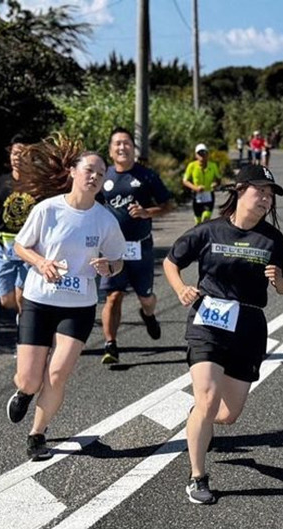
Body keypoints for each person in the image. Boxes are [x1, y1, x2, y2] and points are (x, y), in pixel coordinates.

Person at [163, 165, 283, 504]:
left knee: (227, 414)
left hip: (249, 326)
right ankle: (198, 476)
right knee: (208, 399)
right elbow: (170, 261)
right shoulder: (210, 231)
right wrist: (180, 288)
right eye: (260, 191)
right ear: (239, 191)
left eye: (270, 195)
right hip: (208, 319)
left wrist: (278, 277)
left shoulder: (272, 240)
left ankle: (198, 417)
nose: (266, 199)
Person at [6, 137, 126, 460]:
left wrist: (108, 266)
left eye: (101, 175)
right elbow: (20, 246)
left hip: (78, 305)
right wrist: (41, 262)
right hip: (39, 300)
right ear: (73, 171)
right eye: (90, 170)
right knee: (31, 379)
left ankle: (37, 434)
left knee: (57, 374)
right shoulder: (48, 209)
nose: (95, 177)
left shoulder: (105, 220)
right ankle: (25, 392)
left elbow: (119, 260)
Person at [99, 127, 172, 365]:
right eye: (117, 144)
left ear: (133, 148)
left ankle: (148, 315)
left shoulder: (147, 176)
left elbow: (167, 205)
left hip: (140, 247)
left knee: (146, 298)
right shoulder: (103, 177)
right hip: (112, 249)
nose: (122, 147)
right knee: (113, 296)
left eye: (126, 143)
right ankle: (110, 344)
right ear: (110, 151)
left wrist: (146, 212)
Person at [0, 134, 35, 320]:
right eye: (15, 153)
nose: (17, 157)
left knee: (23, 297)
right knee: (7, 300)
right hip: (4, 249)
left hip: (30, 250)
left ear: (32, 156)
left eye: (23, 153)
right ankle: (30, 326)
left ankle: (26, 339)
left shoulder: (39, 185)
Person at [183, 143, 222, 225]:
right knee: (198, 220)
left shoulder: (213, 165)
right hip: (197, 195)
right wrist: (195, 188)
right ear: (196, 155)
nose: (202, 155)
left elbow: (218, 179)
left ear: (207, 154)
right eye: (200, 153)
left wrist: (215, 184)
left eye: (204, 153)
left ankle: (205, 236)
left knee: (206, 217)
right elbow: (185, 181)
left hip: (209, 194)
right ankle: (200, 236)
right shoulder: (192, 166)